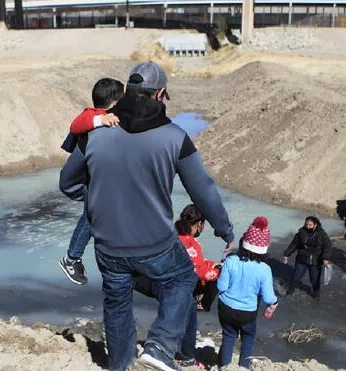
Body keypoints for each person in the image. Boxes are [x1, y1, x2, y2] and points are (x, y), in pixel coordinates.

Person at [59, 61, 235, 371]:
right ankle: (160, 346)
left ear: (126, 90)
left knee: (116, 307)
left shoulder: (96, 131)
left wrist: (98, 201)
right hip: (155, 244)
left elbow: (68, 183)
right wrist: (224, 230)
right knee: (183, 277)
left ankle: (119, 364)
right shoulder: (175, 136)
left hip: (108, 247)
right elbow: (203, 190)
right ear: (161, 94)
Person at [59, 78, 123, 285]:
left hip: (89, 180)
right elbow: (76, 124)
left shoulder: (110, 117)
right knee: (92, 213)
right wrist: (100, 121)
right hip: (79, 182)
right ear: (114, 102)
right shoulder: (94, 117)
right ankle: (71, 258)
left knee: (101, 211)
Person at [217, 217, 278, 369]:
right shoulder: (264, 269)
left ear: (244, 243)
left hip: (226, 307)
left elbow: (221, 286)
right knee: (248, 337)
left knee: (229, 337)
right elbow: (268, 297)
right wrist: (274, 303)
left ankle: (224, 367)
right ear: (264, 249)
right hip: (247, 312)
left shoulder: (231, 261)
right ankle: (243, 366)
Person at [175, 204, 223, 311]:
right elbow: (201, 272)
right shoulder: (191, 243)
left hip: (170, 279)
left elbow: (194, 262)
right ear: (199, 224)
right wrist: (218, 271)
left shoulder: (174, 236)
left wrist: (210, 264)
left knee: (213, 266)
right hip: (183, 285)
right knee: (218, 272)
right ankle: (202, 304)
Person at [283, 216, 332, 299]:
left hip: (316, 261)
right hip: (302, 260)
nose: (308, 227)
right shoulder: (301, 232)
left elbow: (328, 246)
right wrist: (287, 254)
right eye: (306, 224)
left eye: (310, 225)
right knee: (295, 278)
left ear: (315, 225)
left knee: (314, 281)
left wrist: (326, 258)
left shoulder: (321, 234)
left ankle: (317, 295)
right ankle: (289, 292)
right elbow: (294, 244)